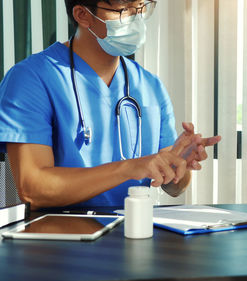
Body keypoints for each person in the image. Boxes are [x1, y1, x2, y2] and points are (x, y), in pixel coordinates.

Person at [0, 0, 220, 209]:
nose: (135, 18)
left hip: (134, 230)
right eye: (123, 9)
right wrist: (129, 168)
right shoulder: (31, 79)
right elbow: (33, 189)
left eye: (140, 7)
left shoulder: (150, 86)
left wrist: (177, 166)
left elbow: (173, 188)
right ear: (82, 15)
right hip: (59, 237)